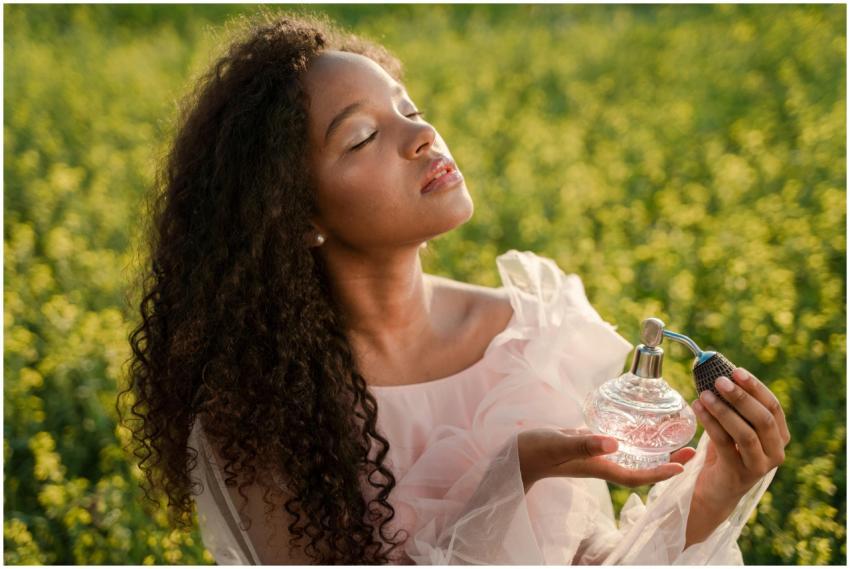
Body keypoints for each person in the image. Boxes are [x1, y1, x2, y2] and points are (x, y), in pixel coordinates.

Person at [121, 9, 789, 565]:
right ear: (296, 216)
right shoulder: (261, 405)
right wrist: (512, 475)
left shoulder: (530, 338)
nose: (421, 135)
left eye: (409, 108)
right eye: (362, 136)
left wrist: (715, 489)